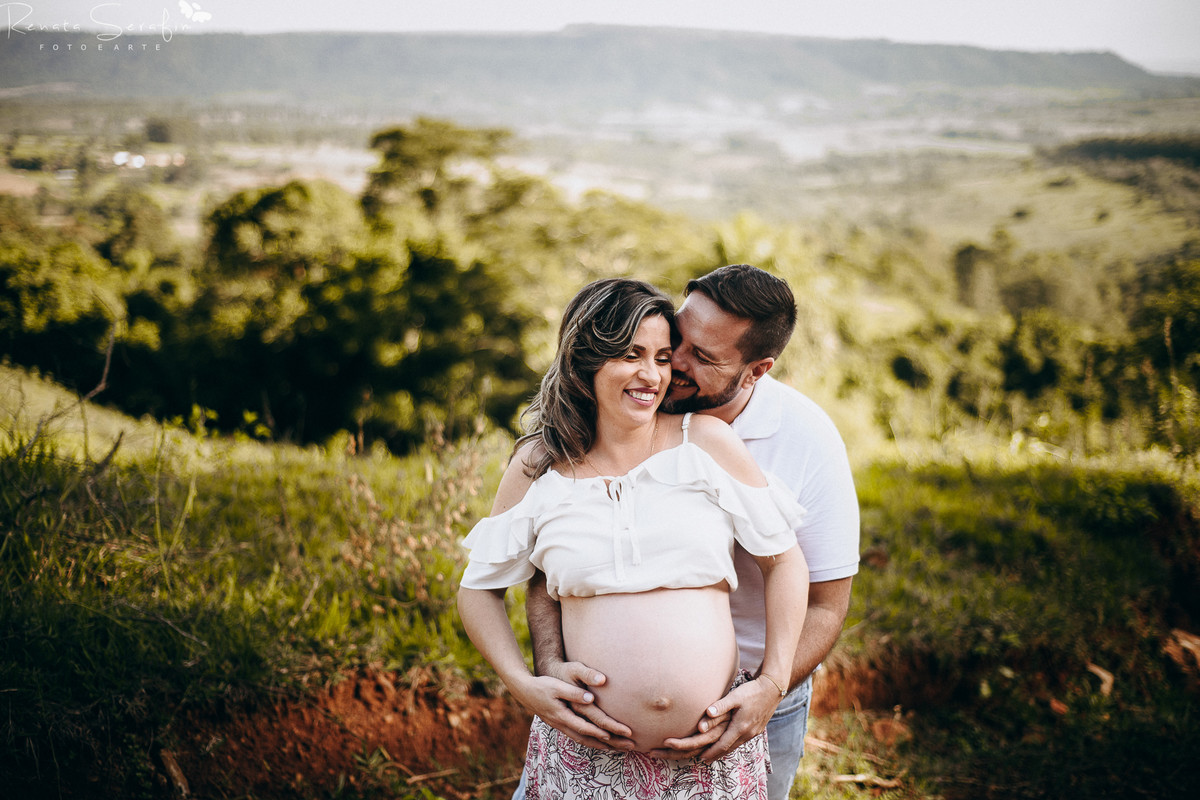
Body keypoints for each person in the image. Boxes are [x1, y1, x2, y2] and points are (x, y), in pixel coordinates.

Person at [457, 277, 811, 799]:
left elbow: (785, 563)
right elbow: (478, 590)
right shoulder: (539, 465)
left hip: (710, 757)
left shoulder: (706, 442)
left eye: (663, 357)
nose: (651, 375)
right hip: (586, 756)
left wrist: (772, 683)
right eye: (630, 354)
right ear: (586, 359)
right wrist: (523, 684)